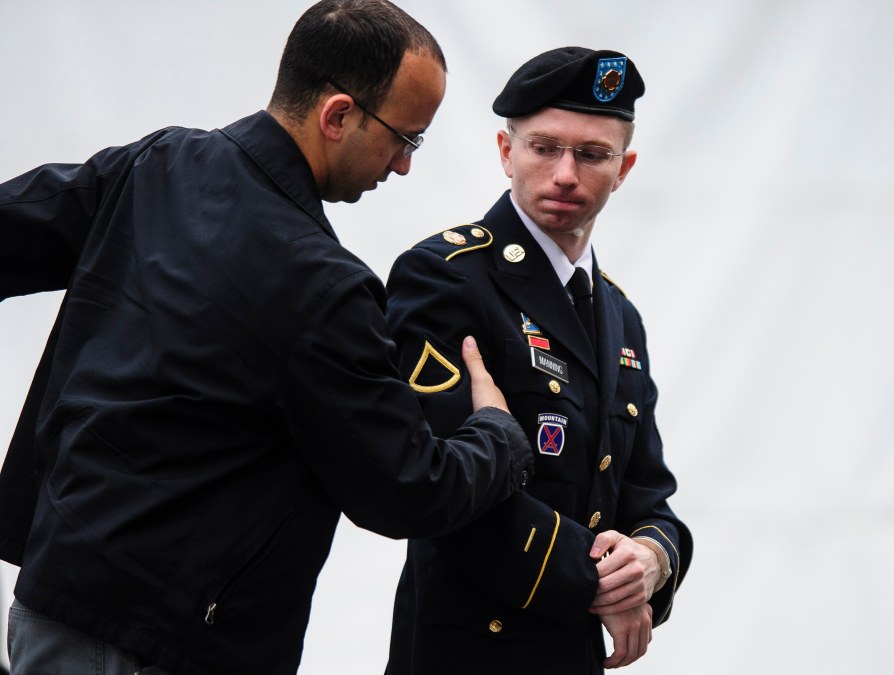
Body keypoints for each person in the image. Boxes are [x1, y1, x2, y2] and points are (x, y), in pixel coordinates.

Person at [0, 1, 536, 673]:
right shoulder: (323, 286)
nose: (402, 165)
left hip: (54, 599)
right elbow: (404, 486)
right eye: (406, 137)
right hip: (170, 642)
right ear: (338, 115)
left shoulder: (158, 166)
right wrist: (497, 434)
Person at [384, 47, 693, 674]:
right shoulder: (445, 279)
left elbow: (648, 493)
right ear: (506, 152)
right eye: (544, 147)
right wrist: (595, 580)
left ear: (624, 167)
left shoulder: (619, 315)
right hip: (466, 649)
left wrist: (650, 561)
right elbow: (437, 480)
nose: (565, 174)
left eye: (592, 154)